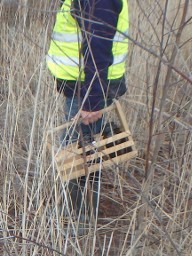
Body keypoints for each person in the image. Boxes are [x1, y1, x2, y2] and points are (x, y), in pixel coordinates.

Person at [46, 0, 129, 223]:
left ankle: (78, 216)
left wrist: (92, 100)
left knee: (77, 151)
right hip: (85, 86)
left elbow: (98, 43)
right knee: (88, 147)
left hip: (88, 88)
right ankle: (76, 211)